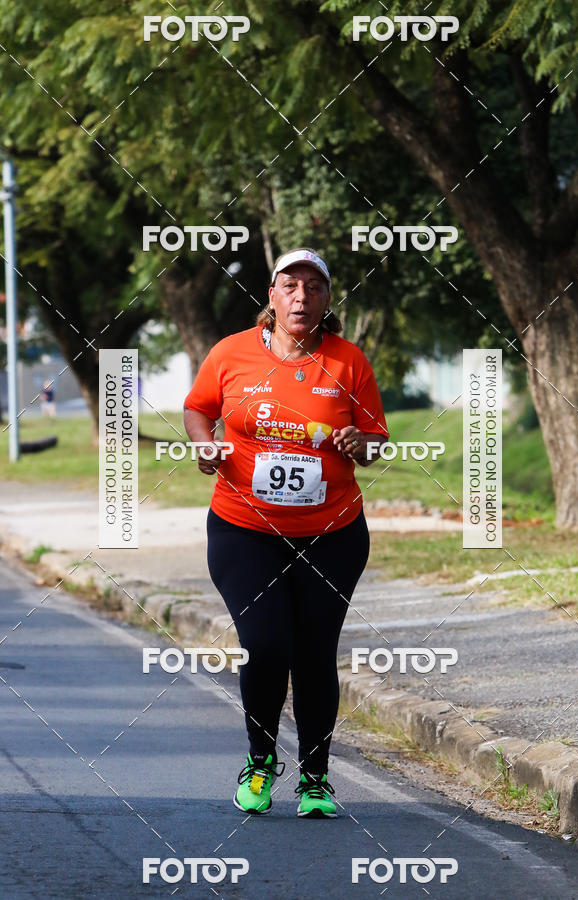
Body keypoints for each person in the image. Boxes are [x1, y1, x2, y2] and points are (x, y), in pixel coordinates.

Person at [183, 247, 389, 818]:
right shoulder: (231, 354)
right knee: (267, 645)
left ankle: (316, 779)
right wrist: (204, 444)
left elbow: (376, 440)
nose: (301, 297)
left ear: (327, 299)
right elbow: (198, 407)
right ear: (270, 297)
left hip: (333, 533)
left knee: (316, 654)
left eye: (314, 288)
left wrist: (358, 444)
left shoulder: (348, 361)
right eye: (289, 286)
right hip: (244, 529)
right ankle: (259, 761)